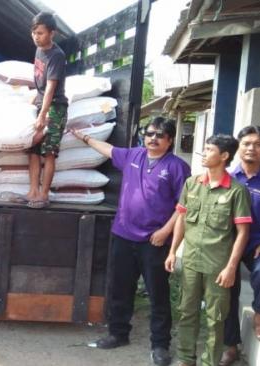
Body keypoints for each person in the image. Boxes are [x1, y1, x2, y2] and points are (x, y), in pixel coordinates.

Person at [70, 117, 190, 365]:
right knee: (120, 288)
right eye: (150, 133)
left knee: (158, 294)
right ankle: (118, 333)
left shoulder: (177, 167)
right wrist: (84, 137)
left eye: (159, 135)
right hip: (123, 234)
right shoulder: (134, 156)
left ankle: (159, 345)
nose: (153, 138)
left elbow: (184, 206)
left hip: (154, 241)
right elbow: (108, 150)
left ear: (169, 140)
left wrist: (166, 232)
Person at [165, 134, 252, 366]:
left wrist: (232, 267)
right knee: (186, 311)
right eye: (204, 149)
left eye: (209, 149)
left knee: (216, 318)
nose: (204, 153)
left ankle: (209, 362)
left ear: (224, 156)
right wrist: (173, 251)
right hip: (191, 262)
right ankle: (186, 358)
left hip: (218, 266)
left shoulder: (236, 191)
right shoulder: (191, 184)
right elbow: (181, 219)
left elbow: (242, 232)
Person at [219, 126, 260, 366]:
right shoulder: (226, 177)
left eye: (256, 144)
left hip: (257, 243)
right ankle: (230, 346)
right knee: (226, 289)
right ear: (238, 148)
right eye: (246, 144)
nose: (250, 149)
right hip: (226, 243)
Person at [26, 11, 68, 209]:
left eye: (40, 33)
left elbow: (51, 88)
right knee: (32, 150)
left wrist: (43, 115)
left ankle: (43, 195)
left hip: (55, 108)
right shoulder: (39, 50)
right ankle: (33, 190)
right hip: (40, 104)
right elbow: (41, 84)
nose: (36, 36)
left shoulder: (56, 55)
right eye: (34, 32)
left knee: (48, 152)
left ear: (52, 33)